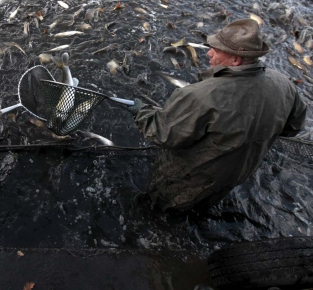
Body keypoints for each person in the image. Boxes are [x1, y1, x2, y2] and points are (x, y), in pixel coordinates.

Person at [128, 19, 307, 211]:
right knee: (203, 205)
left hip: (190, 179)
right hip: (236, 176)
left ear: (235, 60)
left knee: (162, 207)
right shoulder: (284, 84)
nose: (209, 53)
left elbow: (164, 134)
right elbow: (293, 128)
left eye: (216, 50)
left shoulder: (202, 96)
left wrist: (141, 112)